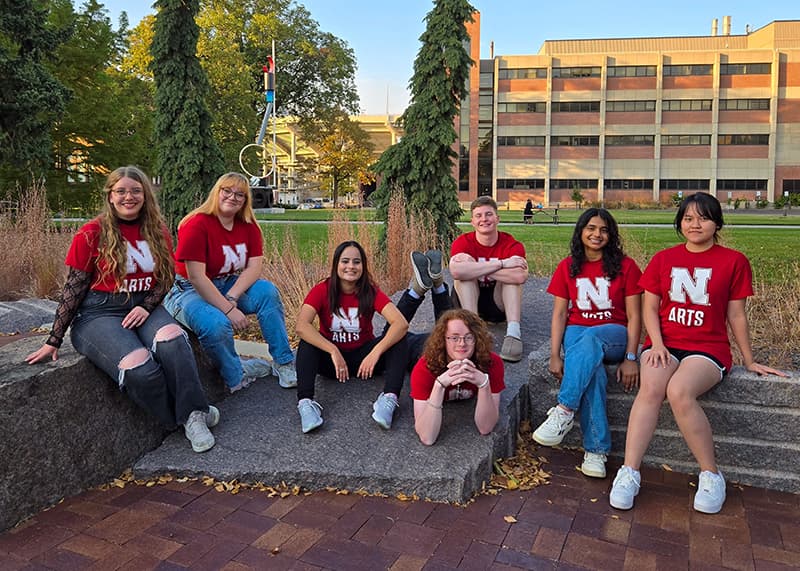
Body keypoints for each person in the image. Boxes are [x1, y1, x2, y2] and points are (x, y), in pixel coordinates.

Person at [609, 193, 787, 514]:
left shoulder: (733, 261)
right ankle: (629, 472)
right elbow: (650, 307)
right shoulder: (664, 258)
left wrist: (749, 360)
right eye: (688, 218)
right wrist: (657, 343)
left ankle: (711, 474)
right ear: (680, 223)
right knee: (650, 388)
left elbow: (736, 316)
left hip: (707, 348)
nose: (695, 224)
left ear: (717, 223)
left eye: (703, 218)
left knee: (679, 391)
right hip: (666, 343)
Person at [25, 166, 218, 453]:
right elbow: (73, 289)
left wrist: (147, 307)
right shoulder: (91, 233)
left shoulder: (158, 231)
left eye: (136, 191)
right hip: (98, 313)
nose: (129, 197)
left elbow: (165, 277)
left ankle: (194, 417)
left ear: (145, 195)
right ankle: (184, 416)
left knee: (173, 340)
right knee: (139, 368)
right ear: (111, 196)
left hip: (144, 305)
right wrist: (54, 339)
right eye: (122, 191)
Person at [532, 208, 642, 478]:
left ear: (611, 235)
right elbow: (559, 314)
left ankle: (564, 409)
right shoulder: (568, 266)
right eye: (591, 228)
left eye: (604, 230)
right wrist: (555, 354)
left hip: (614, 334)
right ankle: (596, 452)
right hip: (577, 333)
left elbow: (635, 315)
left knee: (590, 338)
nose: (597, 234)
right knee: (593, 374)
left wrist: (630, 357)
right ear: (581, 231)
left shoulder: (626, 266)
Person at [163, 172, 296, 393]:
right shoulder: (197, 224)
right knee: (216, 323)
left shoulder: (248, 226)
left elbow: (254, 268)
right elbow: (196, 277)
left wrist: (232, 297)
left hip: (225, 283)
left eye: (240, 194)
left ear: (246, 201)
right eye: (227, 190)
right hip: (187, 290)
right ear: (217, 191)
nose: (232, 197)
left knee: (267, 292)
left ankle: (283, 363)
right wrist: (227, 310)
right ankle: (236, 376)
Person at [294, 241, 409, 433]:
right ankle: (306, 404)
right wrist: (332, 350)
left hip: (365, 361)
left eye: (356, 262)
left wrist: (375, 353)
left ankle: (389, 399)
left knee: (399, 340)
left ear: (363, 266)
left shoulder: (370, 291)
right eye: (345, 261)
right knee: (307, 341)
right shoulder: (322, 289)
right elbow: (301, 325)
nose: (351, 267)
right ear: (336, 264)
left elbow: (400, 323)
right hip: (333, 364)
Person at [449, 196, 528, 362]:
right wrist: (502, 264)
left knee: (511, 280)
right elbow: (456, 272)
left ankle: (514, 333)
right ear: (472, 221)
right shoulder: (463, 243)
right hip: (468, 301)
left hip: (498, 303)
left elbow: (520, 276)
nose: (484, 219)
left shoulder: (512, 244)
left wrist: (476, 269)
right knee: (464, 271)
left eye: (488, 214)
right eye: (478, 216)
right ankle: (473, 330)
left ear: (497, 218)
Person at [410, 309, 505, 445]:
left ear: (477, 338)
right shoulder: (424, 367)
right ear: (444, 339)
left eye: (469, 337)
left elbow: (485, 427)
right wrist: (438, 386)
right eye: (454, 337)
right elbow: (427, 437)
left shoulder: (492, 363)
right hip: (413, 350)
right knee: (399, 348)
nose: (462, 343)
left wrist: (484, 385)